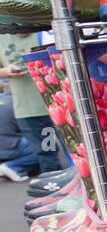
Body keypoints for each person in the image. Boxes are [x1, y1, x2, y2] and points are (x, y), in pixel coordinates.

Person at [0, 33, 65, 173]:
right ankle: (54, 184)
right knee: (47, 155)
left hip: (57, 105)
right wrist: (6, 71)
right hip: (28, 111)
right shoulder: (2, 38)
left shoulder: (44, 34)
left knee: (75, 151)